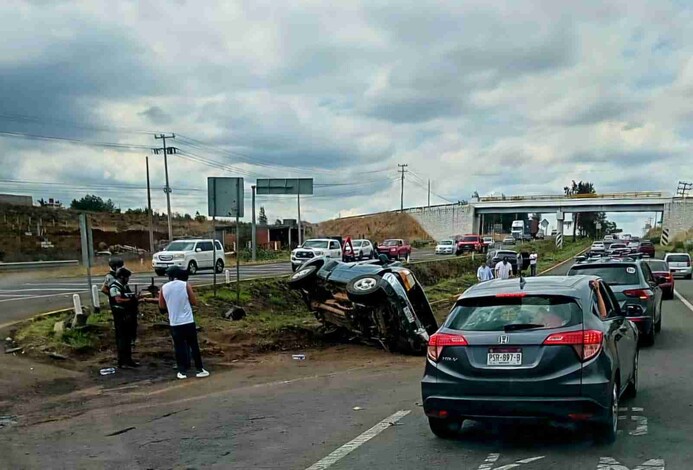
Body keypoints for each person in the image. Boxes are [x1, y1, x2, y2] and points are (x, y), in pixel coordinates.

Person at [159, 266, 209, 380]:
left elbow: (161, 306)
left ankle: (182, 371)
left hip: (175, 322)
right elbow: (193, 301)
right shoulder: (185, 285)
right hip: (188, 321)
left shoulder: (164, 288)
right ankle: (199, 369)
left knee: (179, 347)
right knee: (194, 345)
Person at [109, 267, 140, 368]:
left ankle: (128, 360)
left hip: (128, 316)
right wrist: (131, 300)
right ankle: (122, 362)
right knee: (122, 339)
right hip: (120, 316)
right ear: (122, 277)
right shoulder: (115, 287)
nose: (128, 279)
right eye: (127, 277)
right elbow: (118, 300)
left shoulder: (124, 286)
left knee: (128, 338)